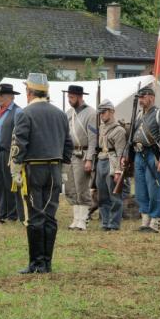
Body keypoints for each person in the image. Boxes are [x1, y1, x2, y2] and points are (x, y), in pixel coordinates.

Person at [10, 73, 73, 274]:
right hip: (54, 169)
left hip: (34, 169)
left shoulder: (25, 113)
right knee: (50, 215)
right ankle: (46, 262)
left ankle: (36, 263)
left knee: (34, 215)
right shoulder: (60, 114)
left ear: (29, 92)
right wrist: (63, 167)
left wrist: (15, 168)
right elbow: (68, 144)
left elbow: (19, 144)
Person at [126, 86, 160, 233]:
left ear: (151, 97)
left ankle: (155, 220)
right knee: (140, 190)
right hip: (139, 154)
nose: (140, 100)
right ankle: (145, 219)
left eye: (143, 97)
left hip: (153, 155)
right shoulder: (139, 115)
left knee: (154, 189)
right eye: (139, 97)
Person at [63, 85, 97, 230]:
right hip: (70, 154)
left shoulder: (91, 113)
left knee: (82, 187)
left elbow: (93, 138)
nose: (69, 100)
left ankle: (83, 219)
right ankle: (76, 218)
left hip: (82, 154)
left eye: (71, 97)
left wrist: (89, 159)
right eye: (68, 97)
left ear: (79, 96)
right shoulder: (68, 113)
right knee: (70, 187)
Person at [0, 83, 22, 222]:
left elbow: (20, 133)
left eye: (1, 95)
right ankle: (1, 213)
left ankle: (12, 214)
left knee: (10, 184)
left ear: (11, 96)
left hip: (9, 152)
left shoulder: (17, 112)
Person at [95, 99, 127, 231]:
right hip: (101, 160)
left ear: (112, 111)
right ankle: (105, 222)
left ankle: (114, 223)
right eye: (100, 112)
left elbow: (121, 153)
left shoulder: (119, 130)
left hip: (112, 162)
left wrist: (118, 171)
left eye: (104, 112)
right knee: (102, 195)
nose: (101, 115)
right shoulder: (101, 127)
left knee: (114, 195)